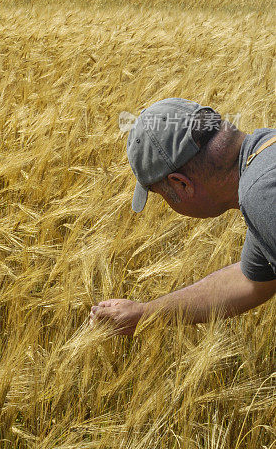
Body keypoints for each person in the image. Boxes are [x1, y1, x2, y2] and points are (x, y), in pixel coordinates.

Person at [89, 98, 276, 336]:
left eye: (161, 195)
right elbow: (251, 281)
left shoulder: (263, 195)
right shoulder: (265, 151)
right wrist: (144, 313)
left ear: (181, 184)